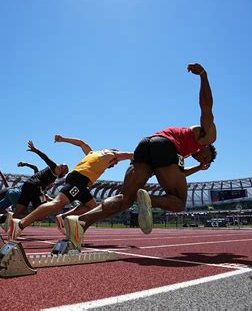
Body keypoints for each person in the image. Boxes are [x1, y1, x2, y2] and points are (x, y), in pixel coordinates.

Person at [65, 63, 217, 249]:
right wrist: (203, 75)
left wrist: (198, 168)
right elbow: (206, 107)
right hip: (165, 146)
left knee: (125, 198)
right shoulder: (206, 135)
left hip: (146, 144)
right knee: (178, 202)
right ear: (209, 148)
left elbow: (176, 175)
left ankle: (80, 222)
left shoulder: (183, 151)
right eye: (206, 158)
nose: (203, 161)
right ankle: (147, 200)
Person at [8, 135, 134, 240]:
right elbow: (130, 154)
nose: (114, 165)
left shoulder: (92, 153)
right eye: (115, 163)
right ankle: (21, 224)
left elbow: (81, 143)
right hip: (79, 180)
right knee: (58, 203)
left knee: (92, 207)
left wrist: (62, 139)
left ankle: (63, 218)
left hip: (81, 182)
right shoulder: (112, 154)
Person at [0, 142, 68, 232]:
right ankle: (31, 216)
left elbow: (40, 185)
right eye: (64, 170)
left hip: (26, 186)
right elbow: (47, 160)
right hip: (33, 187)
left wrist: (48, 197)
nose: (63, 174)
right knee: (40, 215)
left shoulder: (46, 178)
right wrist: (36, 151)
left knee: (16, 214)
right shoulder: (56, 169)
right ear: (61, 170)